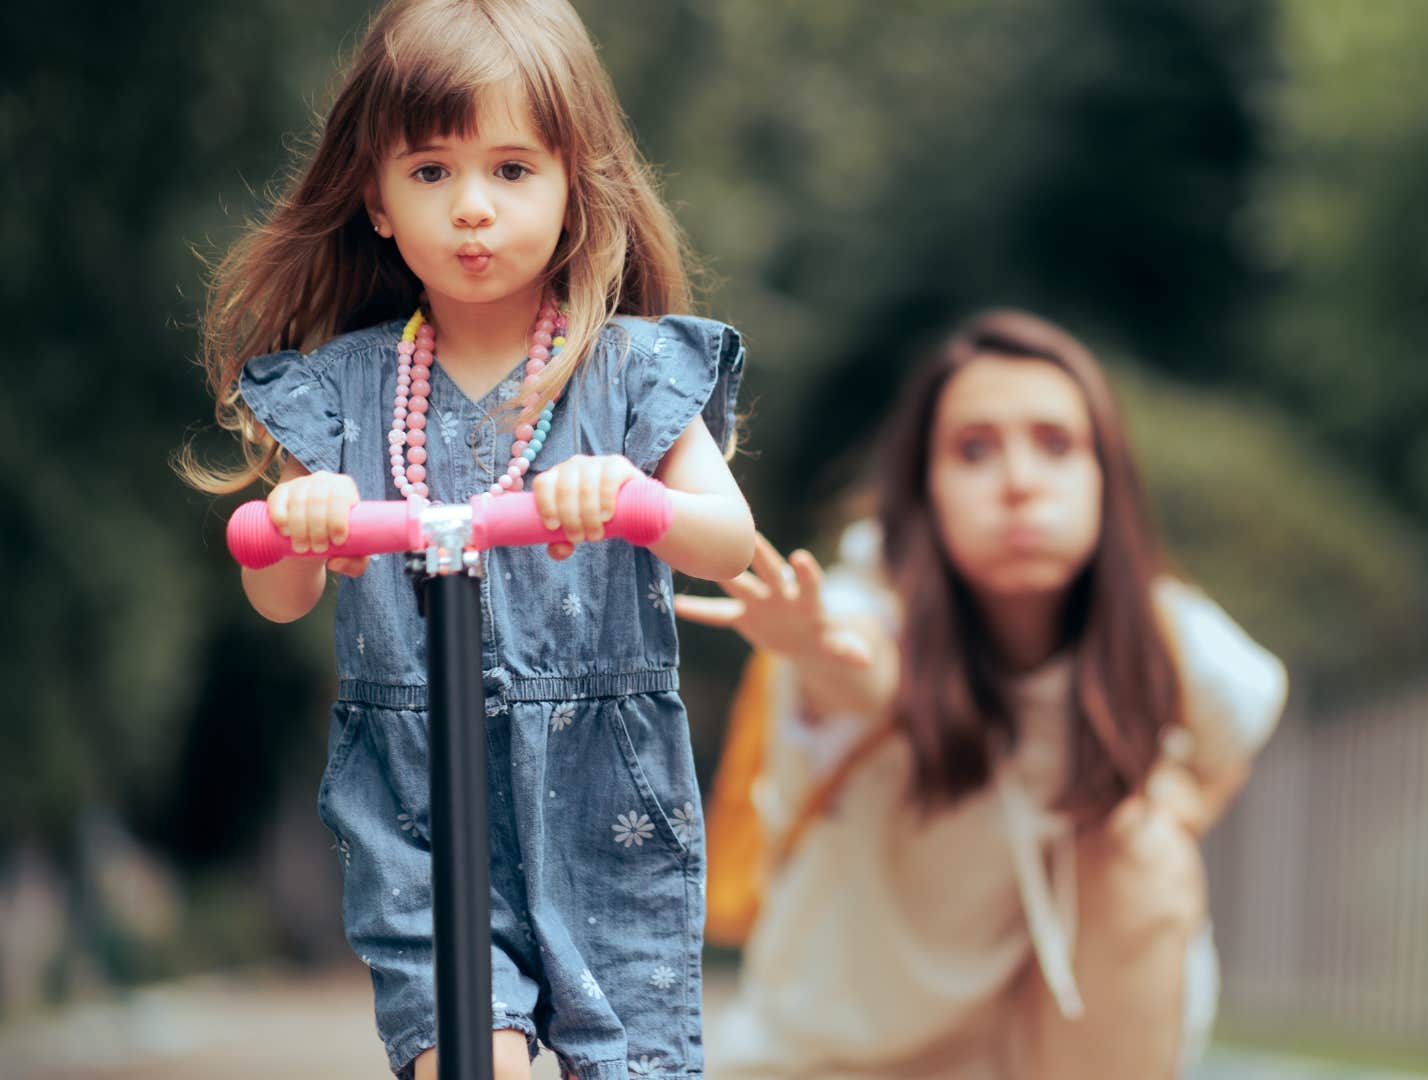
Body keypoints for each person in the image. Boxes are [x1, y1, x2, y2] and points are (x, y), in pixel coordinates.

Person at [178, 2, 755, 1076]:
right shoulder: (344, 391)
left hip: (603, 786)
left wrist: (634, 496)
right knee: (463, 1058)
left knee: (632, 1060)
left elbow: (729, 542)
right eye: (433, 172)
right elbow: (281, 595)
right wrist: (304, 528)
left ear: (574, 185)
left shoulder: (630, 371)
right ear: (379, 201)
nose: (474, 209)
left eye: (512, 169)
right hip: (415, 794)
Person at [678, 309, 1287, 1079]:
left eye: (1057, 445)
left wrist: (1171, 812)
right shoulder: (869, 608)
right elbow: (865, 674)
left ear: (1108, 479)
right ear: (926, 490)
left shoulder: (1165, 636)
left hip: (1031, 1049)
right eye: (974, 451)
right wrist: (811, 647)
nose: (1021, 483)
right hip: (832, 1057)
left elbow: (1253, 707)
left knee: (1146, 843)